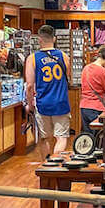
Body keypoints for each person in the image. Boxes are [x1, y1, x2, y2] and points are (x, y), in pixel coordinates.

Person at [24, 24, 71, 157]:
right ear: (54, 39)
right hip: (61, 102)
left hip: (43, 103)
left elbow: (29, 86)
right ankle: (57, 167)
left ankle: (46, 166)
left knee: (44, 138)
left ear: (39, 39)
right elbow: (67, 77)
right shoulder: (63, 56)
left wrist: (30, 103)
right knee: (61, 137)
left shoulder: (32, 59)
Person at [80, 44, 105, 132]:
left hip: (84, 106)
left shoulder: (86, 68)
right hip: (96, 108)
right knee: (98, 136)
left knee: (89, 137)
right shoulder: (104, 72)